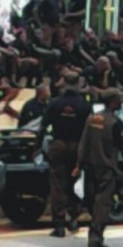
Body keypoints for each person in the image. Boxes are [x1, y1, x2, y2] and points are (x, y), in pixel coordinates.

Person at [39, 71, 91, 237]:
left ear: (64, 82)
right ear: (78, 83)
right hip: (77, 147)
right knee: (75, 182)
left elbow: (43, 126)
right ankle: (74, 218)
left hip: (59, 144)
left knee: (57, 184)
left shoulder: (55, 103)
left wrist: (37, 147)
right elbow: (88, 130)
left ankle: (59, 224)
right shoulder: (84, 105)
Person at [75, 89, 123, 247]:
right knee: (103, 203)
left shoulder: (91, 118)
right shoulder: (114, 123)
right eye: (119, 99)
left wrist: (78, 165)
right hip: (107, 167)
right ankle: (95, 237)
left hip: (90, 166)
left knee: (93, 200)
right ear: (113, 101)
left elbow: (83, 142)